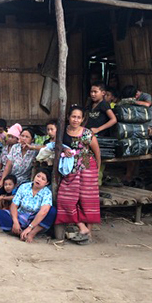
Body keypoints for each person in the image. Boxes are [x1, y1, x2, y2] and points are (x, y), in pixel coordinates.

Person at [55, 105, 101, 245]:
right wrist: (63, 149)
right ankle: (82, 227)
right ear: (68, 117)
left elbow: (97, 153)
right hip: (71, 168)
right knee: (65, 199)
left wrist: (97, 170)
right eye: (73, 116)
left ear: (82, 119)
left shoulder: (87, 133)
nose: (75, 120)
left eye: (78, 117)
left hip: (88, 167)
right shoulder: (63, 132)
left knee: (88, 201)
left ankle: (88, 233)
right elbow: (55, 145)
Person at [0, 170, 56, 243]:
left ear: (47, 183)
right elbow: (14, 205)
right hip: (21, 217)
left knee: (52, 210)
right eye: (38, 176)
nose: (39, 179)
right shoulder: (24, 187)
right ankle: (20, 233)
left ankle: (31, 234)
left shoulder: (47, 193)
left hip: (35, 220)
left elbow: (44, 211)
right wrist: (15, 222)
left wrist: (30, 228)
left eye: (43, 179)